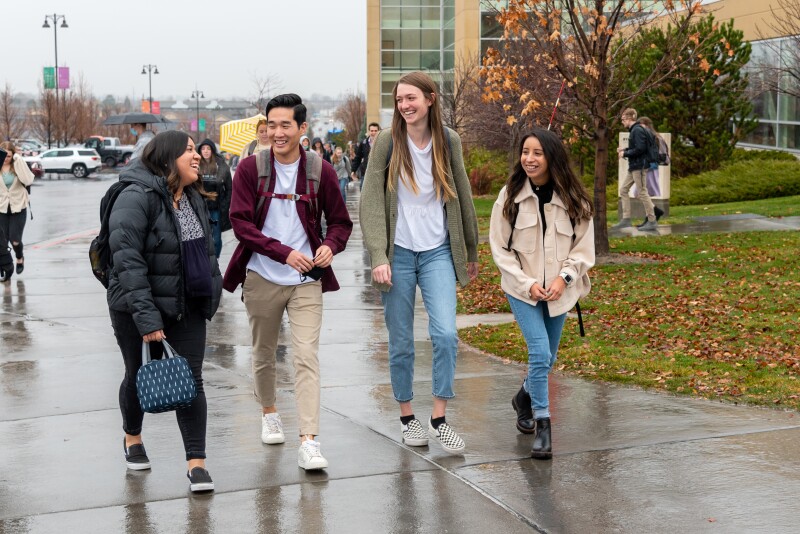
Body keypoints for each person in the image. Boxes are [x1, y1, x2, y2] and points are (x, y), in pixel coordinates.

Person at [223, 94, 352, 471]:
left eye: (285, 126)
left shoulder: (319, 170)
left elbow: (341, 223)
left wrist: (330, 246)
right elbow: (241, 223)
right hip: (262, 274)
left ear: (301, 129)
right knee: (263, 353)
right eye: (272, 125)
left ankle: (309, 440)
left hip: (306, 279)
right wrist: (282, 252)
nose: (277, 133)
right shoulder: (250, 169)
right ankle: (269, 412)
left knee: (305, 356)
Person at [360, 71, 479, 455]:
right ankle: (409, 417)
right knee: (401, 342)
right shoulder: (386, 143)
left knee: (445, 334)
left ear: (429, 99)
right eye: (399, 100)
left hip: (438, 251)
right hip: (397, 254)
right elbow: (371, 201)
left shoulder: (449, 141)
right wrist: (378, 255)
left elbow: (462, 193)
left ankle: (439, 418)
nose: (405, 106)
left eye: (411, 98)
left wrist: (471, 250)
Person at [106, 130, 222, 492]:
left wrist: (210, 293)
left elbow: (205, 252)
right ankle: (132, 437)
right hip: (135, 307)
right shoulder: (134, 197)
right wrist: (147, 319)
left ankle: (196, 463)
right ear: (167, 158)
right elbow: (128, 263)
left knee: (192, 380)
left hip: (186, 304)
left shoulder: (191, 197)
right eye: (188, 150)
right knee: (136, 374)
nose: (197, 156)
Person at [489, 128, 595, 459]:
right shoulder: (509, 197)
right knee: (539, 354)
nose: (530, 159)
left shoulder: (575, 198)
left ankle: (523, 398)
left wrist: (564, 278)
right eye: (525, 152)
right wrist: (527, 284)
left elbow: (583, 249)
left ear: (552, 157)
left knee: (549, 358)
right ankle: (543, 424)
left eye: (537, 153)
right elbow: (500, 250)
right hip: (523, 291)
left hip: (561, 292)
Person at [613, 108, 661, 231]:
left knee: (642, 192)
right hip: (635, 166)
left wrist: (625, 154)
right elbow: (638, 147)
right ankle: (626, 219)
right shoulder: (635, 130)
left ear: (630, 118)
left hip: (639, 166)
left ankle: (652, 220)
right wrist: (625, 150)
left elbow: (640, 149)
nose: (622, 122)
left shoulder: (637, 130)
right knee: (624, 190)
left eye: (623, 119)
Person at [0, 142, 35, 282]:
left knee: (15, 240)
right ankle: (6, 266)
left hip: (18, 208)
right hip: (1, 208)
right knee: (3, 242)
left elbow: (28, 180)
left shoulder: (18, 166)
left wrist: (18, 160)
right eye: (4, 155)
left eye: (9, 155)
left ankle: (19, 258)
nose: (6, 158)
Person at [197, 139, 233, 258]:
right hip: (200, 208)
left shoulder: (221, 165)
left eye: (208, 149)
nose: (206, 151)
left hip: (216, 208)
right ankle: (204, 261)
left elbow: (229, 188)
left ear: (212, 150)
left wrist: (225, 204)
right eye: (203, 149)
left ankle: (214, 260)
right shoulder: (196, 164)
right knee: (201, 237)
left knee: (216, 238)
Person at [634, 117, 666, 206]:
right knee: (643, 190)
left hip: (649, 166)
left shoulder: (652, 137)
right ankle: (652, 212)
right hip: (647, 166)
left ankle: (654, 211)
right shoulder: (653, 136)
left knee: (646, 189)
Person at [352, 122, 380, 190]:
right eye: (372, 131)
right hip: (365, 171)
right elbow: (358, 157)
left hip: (379, 172)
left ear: (378, 131)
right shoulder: (363, 143)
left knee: (377, 191)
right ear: (369, 131)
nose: (373, 132)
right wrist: (353, 170)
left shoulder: (382, 142)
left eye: (375, 131)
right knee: (363, 189)